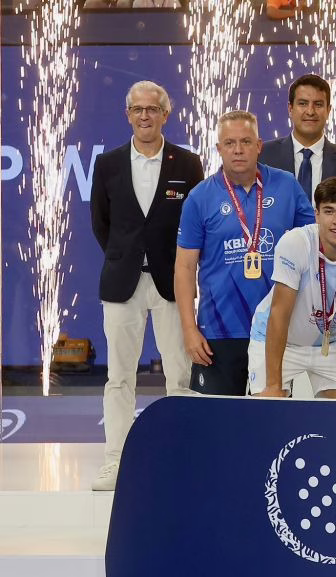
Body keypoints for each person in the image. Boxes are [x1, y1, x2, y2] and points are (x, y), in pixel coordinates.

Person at [89, 80, 204, 491]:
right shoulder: (108, 164)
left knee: (180, 375)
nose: (144, 116)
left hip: (173, 284)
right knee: (119, 377)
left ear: (165, 115)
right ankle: (116, 461)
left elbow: (195, 224)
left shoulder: (187, 164)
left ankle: (181, 459)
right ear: (127, 115)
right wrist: (127, 258)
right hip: (122, 284)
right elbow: (102, 224)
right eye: (137, 109)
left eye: (152, 109)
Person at [176, 110, 314, 396]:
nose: (238, 150)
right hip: (219, 330)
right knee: (220, 419)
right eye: (229, 143)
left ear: (259, 145)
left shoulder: (287, 185)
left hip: (277, 326)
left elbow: (313, 245)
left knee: (272, 417)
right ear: (218, 149)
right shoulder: (200, 197)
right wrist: (189, 329)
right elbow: (185, 267)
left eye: (246, 142)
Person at [249, 177, 336, 399]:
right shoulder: (295, 243)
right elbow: (279, 314)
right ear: (317, 214)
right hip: (280, 341)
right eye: (329, 211)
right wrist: (273, 385)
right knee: (269, 408)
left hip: (334, 341)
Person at [259, 74, 336, 195]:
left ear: (328, 110)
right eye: (303, 103)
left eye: (318, 104)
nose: (310, 111)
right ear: (290, 109)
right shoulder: (263, 155)